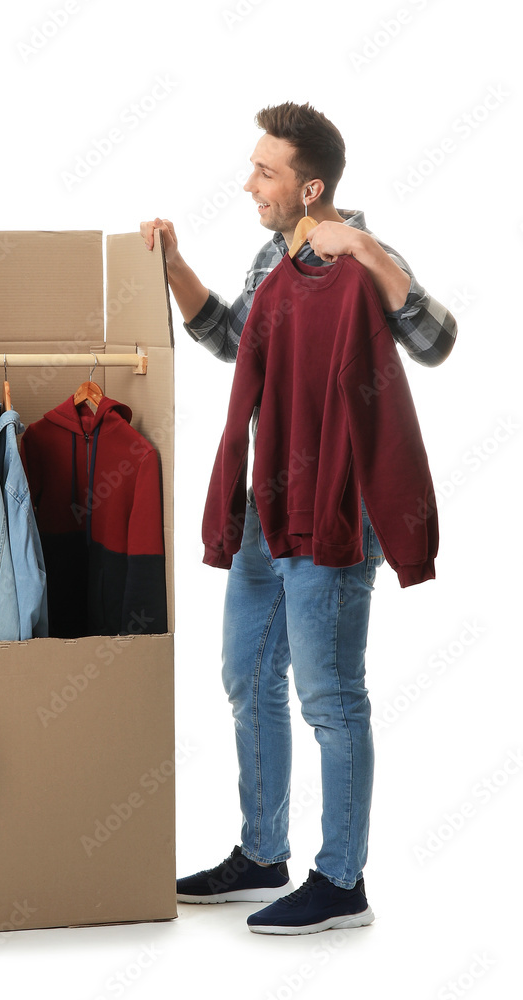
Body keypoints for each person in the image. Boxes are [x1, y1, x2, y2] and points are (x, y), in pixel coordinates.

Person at [141, 102, 456, 935]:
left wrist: (364, 248)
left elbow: (438, 340)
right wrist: (174, 266)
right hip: (267, 507)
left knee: (329, 695)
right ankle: (262, 852)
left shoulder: (363, 259)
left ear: (310, 186)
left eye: (266, 171)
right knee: (247, 679)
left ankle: (342, 880)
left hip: (339, 511)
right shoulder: (268, 258)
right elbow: (233, 339)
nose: (250, 183)